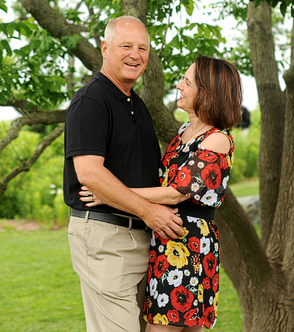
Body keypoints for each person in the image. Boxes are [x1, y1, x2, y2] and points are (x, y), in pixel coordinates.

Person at [83, 55, 242, 331]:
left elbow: (174, 193)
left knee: (162, 327)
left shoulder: (217, 138)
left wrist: (110, 193)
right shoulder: (184, 132)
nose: (179, 85)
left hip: (188, 244)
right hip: (166, 241)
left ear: (207, 93)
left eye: (187, 82)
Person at [64, 15, 186, 332]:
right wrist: (150, 211)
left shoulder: (137, 104)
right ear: (105, 48)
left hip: (143, 237)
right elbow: (89, 173)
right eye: (126, 46)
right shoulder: (91, 100)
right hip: (107, 239)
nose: (135, 55)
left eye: (142, 48)